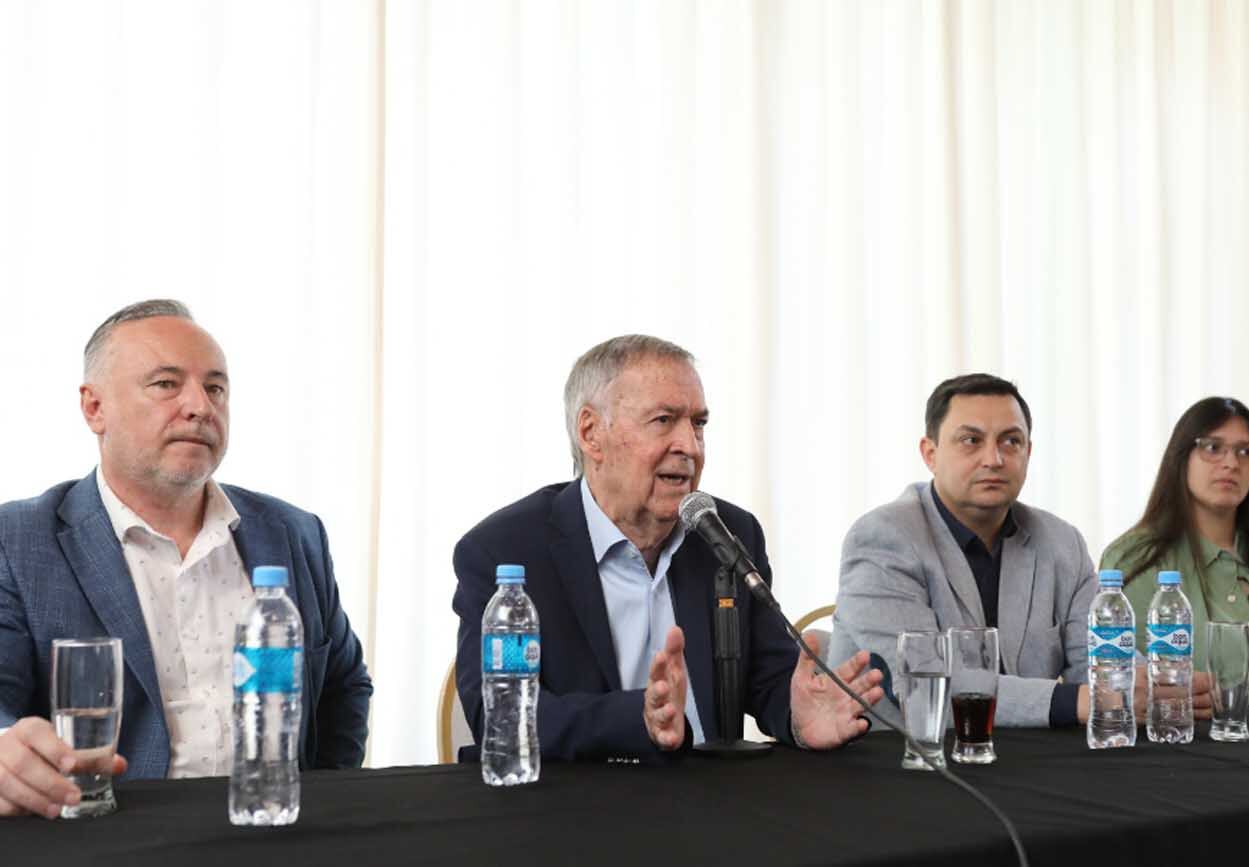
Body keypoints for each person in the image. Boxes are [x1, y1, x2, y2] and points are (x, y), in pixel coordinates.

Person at [0, 300, 372, 818]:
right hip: (104, 838)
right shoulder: (19, 540)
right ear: (94, 407)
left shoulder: (294, 533)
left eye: (215, 387)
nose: (200, 406)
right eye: (166, 384)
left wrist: (319, 801)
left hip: (274, 831)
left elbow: (343, 685)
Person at [452, 335, 883, 761]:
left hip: (710, 808)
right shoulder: (505, 552)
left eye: (698, 424)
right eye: (663, 420)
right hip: (571, 810)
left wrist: (797, 717)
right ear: (591, 433)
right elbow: (500, 714)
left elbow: (765, 677)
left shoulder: (728, 533)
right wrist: (634, 718)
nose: (690, 447)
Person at [829, 373, 1208, 729]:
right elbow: (924, 688)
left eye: (1011, 441)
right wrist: (1079, 701)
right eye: (971, 440)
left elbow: (1099, 659)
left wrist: (1163, 686)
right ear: (930, 453)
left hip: (1024, 762)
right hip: (902, 765)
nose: (994, 459)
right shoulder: (883, 538)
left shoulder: (1061, 542)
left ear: (1029, 451)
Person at [1101, 396, 1249, 708]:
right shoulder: (1137, 559)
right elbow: (1130, 686)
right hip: (1191, 747)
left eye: (1245, 452)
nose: (1231, 463)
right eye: (1212, 447)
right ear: (1182, 458)